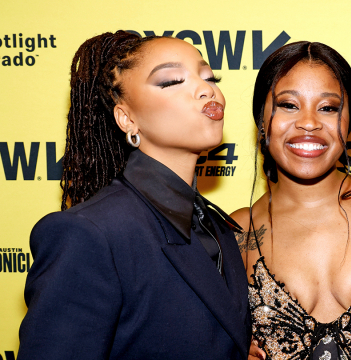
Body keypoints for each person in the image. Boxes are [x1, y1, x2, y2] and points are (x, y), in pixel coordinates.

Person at [18, 31, 251, 359]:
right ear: (126, 118)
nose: (206, 88)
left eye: (210, 76)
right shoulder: (90, 234)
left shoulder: (218, 227)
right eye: (172, 81)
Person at [231, 41, 351, 360]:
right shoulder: (236, 231)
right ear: (261, 119)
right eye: (288, 105)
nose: (310, 123)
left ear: (349, 123)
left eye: (328, 108)